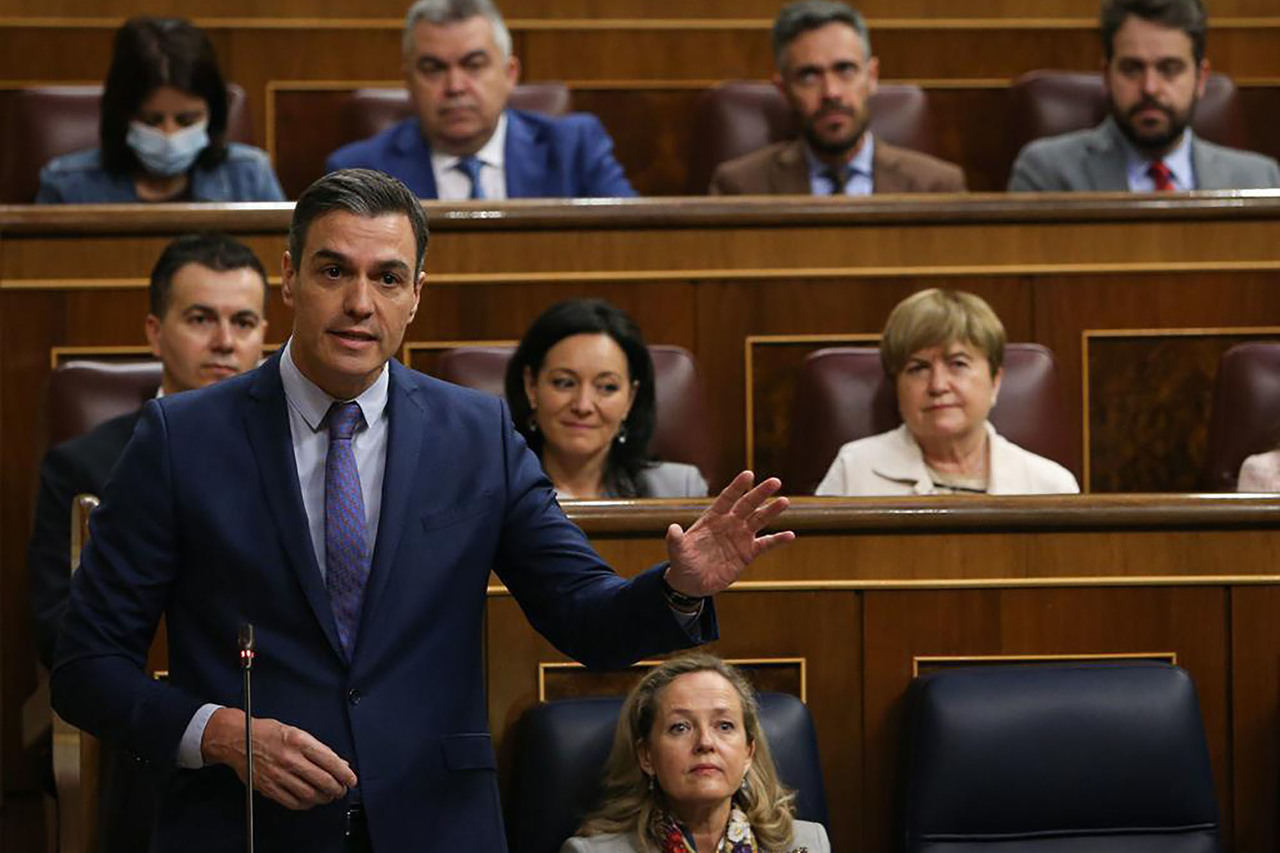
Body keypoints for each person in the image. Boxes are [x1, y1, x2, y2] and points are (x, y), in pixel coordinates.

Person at [51, 168, 793, 852]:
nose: (359, 302)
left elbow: (583, 617)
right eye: (334, 269)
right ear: (289, 276)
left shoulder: (475, 434)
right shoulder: (182, 438)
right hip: (242, 824)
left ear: (417, 294)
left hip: (436, 823)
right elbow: (86, 666)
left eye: (387, 277)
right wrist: (216, 731)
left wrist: (679, 589)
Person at [27, 232, 268, 853]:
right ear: (155, 332)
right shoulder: (85, 464)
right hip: (151, 713)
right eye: (200, 319)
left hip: (280, 698)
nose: (224, 341)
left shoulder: (303, 453)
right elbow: (55, 624)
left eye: (243, 321)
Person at [325, 0, 635, 200]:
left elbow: (635, 243)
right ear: (409, 81)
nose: (455, 86)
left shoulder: (575, 148)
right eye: (433, 69)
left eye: (473, 65)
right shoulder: (359, 169)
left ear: (510, 73)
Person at [815, 289, 1079, 496]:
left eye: (958, 364)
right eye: (918, 368)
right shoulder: (854, 469)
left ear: (995, 381)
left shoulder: (1050, 484)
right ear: (897, 385)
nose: (938, 385)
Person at [561, 653, 830, 853]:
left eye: (724, 726)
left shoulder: (807, 844)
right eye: (680, 727)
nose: (705, 742)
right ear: (647, 756)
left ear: (748, 753)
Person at [1008, 0, 1280, 192]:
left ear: (1200, 78)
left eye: (1169, 69)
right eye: (1132, 69)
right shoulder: (1047, 175)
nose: (1150, 87)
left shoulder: (1259, 180)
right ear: (1106, 75)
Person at [709, 0, 964, 196]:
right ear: (784, 89)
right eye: (809, 76)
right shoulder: (740, 186)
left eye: (845, 70)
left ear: (872, 77)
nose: (831, 92)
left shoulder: (936, 186)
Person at [35, 17, 285, 204]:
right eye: (150, 120)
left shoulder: (250, 175)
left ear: (213, 113)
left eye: (186, 120)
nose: (169, 133)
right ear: (121, 114)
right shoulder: (65, 185)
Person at [505, 299, 708, 500]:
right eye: (564, 383)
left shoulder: (678, 490)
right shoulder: (495, 491)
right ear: (531, 386)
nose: (583, 406)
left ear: (630, 397)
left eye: (607, 387)